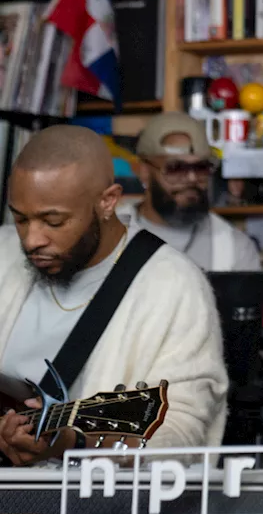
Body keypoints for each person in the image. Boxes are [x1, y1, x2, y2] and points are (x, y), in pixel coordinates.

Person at [0, 125, 227, 463]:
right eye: (21, 219)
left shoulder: (173, 287)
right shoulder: (4, 254)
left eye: (54, 221)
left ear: (108, 201)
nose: (32, 239)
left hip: (88, 509)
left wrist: (72, 444)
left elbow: (177, 438)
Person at [119, 113, 261, 271]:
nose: (192, 178)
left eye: (201, 168)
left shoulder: (235, 249)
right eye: (176, 168)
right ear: (144, 171)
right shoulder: (109, 235)